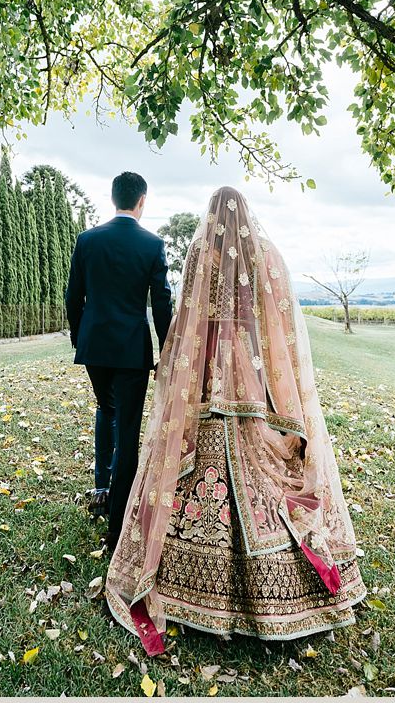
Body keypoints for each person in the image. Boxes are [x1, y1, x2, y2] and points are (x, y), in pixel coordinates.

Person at [105, 187, 365, 654]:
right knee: (272, 477)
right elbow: (278, 328)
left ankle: (188, 588)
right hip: (254, 383)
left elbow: (187, 326)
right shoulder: (268, 256)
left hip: (207, 383)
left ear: (212, 218)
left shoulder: (202, 252)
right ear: (247, 215)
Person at [65, 171, 173, 550]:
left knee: (104, 408)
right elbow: (161, 304)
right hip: (131, 352)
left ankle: (101, 487)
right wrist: (167, 352)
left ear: (114, 199)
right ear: (141, 201)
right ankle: (117, 522)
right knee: (127, 430)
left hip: (95, 348)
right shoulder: (151, 244)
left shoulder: (87, 240)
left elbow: (72, 297)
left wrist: (83, 340)